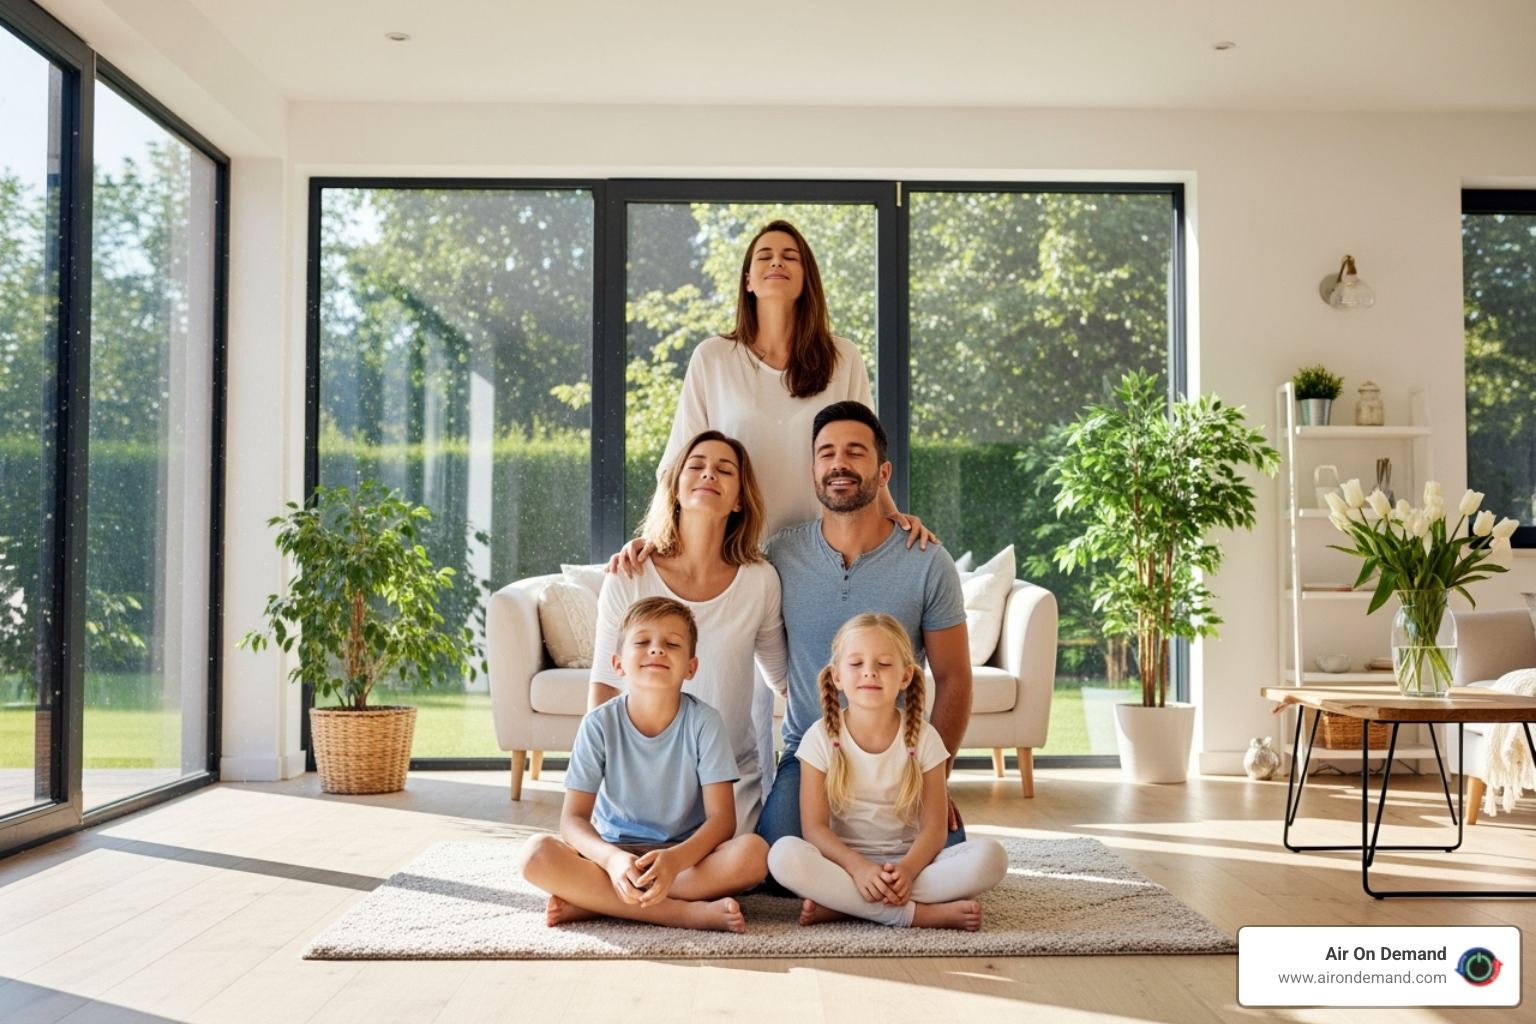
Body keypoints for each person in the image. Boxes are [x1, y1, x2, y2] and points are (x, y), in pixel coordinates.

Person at [757, 400, 973, 850]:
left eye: (856, 452)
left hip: (901, 758)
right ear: (814, 472)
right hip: (812, 758)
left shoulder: (928, 562)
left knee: (949, 853)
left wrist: (935, 776)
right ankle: (868, 881)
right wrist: (650, 548)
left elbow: (955, 676)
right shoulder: (780, 555)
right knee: (778, 854)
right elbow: (712, 571)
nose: (840, 463)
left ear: (883, 472)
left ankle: (856, 882)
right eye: (827, 453)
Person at [518, 597, 770, 932]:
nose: (656, 649)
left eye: (672, 644)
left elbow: (722, 820)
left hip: (683, 860)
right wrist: (611, 859)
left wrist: (675, 861)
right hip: (612, 856)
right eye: (641, 642)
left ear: (691, 667)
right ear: (618, 664)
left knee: (754, 854)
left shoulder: (705, 722)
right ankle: (683, 914)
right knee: (535, 854)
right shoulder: (598, 724)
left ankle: (597, 901)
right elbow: (573, 820)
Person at [588, 430, 786, 834]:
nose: (708, 474)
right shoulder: (630, 574)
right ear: (676, 489)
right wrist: (597, 778)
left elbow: (782, 678)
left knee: (749, 858)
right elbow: (605, 683)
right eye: (696, 466)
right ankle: (672, 879)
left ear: (739, 499)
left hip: (728, 781)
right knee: (547, 855)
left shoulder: (760, 580)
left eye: (724, 470)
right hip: (640, 776)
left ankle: (660, 875)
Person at [767, 614, 1008, 929]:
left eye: (883, 664)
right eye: (856, 664)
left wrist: (907, 871)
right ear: (837, 676)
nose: (869, 671)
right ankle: (914, 915)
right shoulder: (819, 737)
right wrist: (859, 869)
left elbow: (934, 829)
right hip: (846, 867)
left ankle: (847, 905)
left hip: (912, 867)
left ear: (906, 676)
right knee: (783, 855)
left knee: (992, 856)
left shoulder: (925, 737)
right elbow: (815, 829)